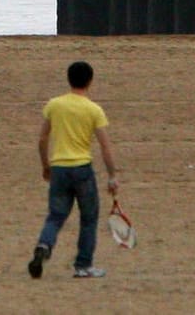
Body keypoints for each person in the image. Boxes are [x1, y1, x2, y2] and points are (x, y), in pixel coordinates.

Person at [29, 60, 120, 280]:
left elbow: (42, 139)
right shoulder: (93, 109)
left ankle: (44, 244)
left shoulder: (54, 105)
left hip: (59, 167)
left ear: (68, 79)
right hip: (81, 168)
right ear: (90, 81)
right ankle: (83, 265)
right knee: (88, 218)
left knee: (56, 216)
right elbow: (105, 146)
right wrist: (112, 175)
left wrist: (45, 165)